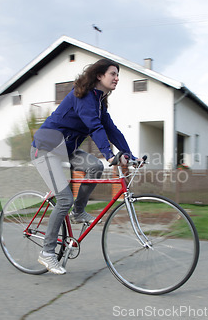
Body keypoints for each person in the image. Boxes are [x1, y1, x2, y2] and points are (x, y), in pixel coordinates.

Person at [31, 58, 137, 274]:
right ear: (99, 75)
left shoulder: (99, 101)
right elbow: (95, 127)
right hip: (45, 149)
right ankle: (47, 252)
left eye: (118, 75)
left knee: (95, 167)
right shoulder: (84, 96)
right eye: (113, 74)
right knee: (64, 199)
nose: (117, 79)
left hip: (66, 151)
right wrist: (109, 155)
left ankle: (78, 213)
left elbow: (111, 130)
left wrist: (129, 154)